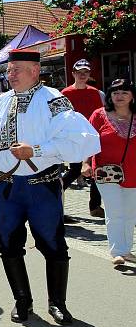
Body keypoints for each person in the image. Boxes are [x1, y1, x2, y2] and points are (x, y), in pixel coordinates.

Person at [0, 49, 100, 325]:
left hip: (42, 187)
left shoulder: (54, 100)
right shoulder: (0, 101)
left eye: (16, 69)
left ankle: (58, 303)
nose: (10, 74)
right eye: (9, 69)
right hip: (6, 189)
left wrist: (37, 150)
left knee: (53, 244)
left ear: (34, 71)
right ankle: (22, 300)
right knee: (7, 244)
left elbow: (83, 140)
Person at [83, 78, 136, 265]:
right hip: (106, 172)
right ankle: (117, 252)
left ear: (132, 96)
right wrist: (85, 163)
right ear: (110, 96)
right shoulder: (99, 115)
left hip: (134, 171)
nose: (119, 96)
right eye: (115, 93)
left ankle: (127, 249)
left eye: (124, 92)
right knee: (115, 211)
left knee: (131, 213)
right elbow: (88, 141)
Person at [62, 59, 105, 221]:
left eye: (85, 72)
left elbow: (103, 114)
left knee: (96, 171)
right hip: (73, 139)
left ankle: (95, 206)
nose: (82, 75)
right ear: (73, 74)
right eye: (79, 72)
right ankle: (56, 195)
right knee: (74, 170)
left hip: (93, 138)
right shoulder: (64, 94)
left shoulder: (97, 93)